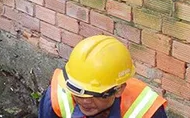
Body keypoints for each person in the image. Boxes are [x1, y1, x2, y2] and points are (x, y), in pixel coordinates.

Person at [38, 35, 167, 118]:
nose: (85, 101)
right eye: (77, 91)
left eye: (95, 94)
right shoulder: (57, 98)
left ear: (119, 89)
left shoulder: (147, 111)